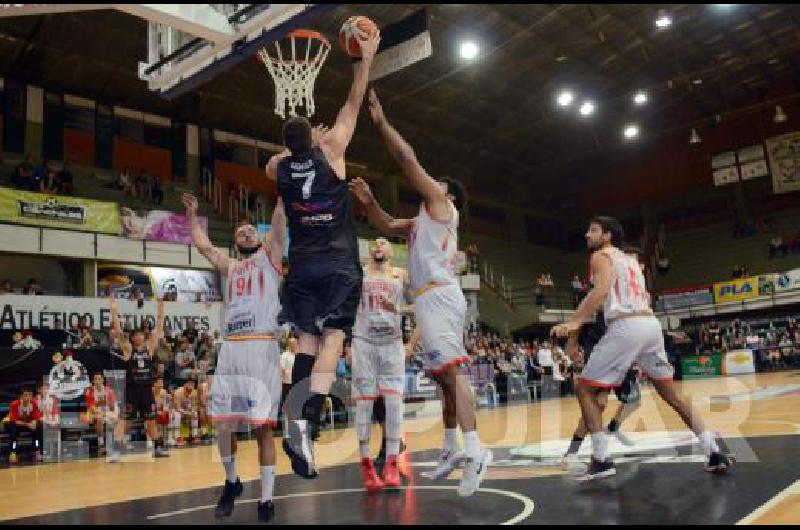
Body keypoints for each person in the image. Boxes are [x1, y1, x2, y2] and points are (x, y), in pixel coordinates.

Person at [348, 88, 492, 498]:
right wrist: (369, 202)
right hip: (429, 299)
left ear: (446, 195)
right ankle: (450, 448)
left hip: (440, 295)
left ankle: (476, 450)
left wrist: (380, 124)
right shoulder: (421, 221)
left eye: (436, 184)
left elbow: (407, 159)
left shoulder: (442, 208)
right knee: (444, 378)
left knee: (453, 372)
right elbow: (388, 224)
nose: (429, 186)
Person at [264, 30, 380, 479]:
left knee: (306, 346)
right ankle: (305, 423)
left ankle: (295, 423)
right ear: (313, 135)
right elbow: (353, 101)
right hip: (337, 265)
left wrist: (298, 144)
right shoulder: (330, 150)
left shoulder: (278, 169)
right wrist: (364, 59)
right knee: (333, 342)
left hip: (303, 267)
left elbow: (275, 163)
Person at [550, 217, 733, 481]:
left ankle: (600, 460)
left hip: (626, 327)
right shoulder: (631, 261)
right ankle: (713, 452)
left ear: (608, 236)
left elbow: (600, 292)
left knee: (583, 388)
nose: (587, 235)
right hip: (650, 325)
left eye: (593, 230)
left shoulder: (601, 256)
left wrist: (573, 322)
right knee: (672, 394)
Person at [183, 191, 287, 522]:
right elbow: (204, 247)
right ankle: (232, 483)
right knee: (223, 426)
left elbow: (279, 223)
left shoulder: (271, 257)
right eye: (239, 231)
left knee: (262, 430)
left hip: (261, 345)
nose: (244, 232)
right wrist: (191, 215)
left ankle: (266, 500)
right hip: (231, 348)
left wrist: (284, 189)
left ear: (260, 236)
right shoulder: (232, 266)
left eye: (249, 230)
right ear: (236, 242)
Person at [351, 238, 412, 493]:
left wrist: (397, 308)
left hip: (392, 343)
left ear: (391, 252)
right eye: (374, 243)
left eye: (383, 242)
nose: (378, 245)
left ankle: (390, 463)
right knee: (364, 404)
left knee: (394, 404)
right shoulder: (359, 274)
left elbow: (419, 306)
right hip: (363, 341)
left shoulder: (402, 275)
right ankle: (366, 464)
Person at [109, 297, 169, 460]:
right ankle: (116, 450)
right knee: (124, 420)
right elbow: (119, 332)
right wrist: (114, 310)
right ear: (132, 338)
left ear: (143, 336)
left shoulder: (149, 348)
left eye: (140, 334)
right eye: (135, 335)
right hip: (132, 390)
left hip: (146, 391)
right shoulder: (128, 350)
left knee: (150, 420)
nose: (138, 337)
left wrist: (160, 310)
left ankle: (157, 447)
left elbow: (158, 329)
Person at [84, 373, 119, 457]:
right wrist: (101, 414)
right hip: (93, 413)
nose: (97, 381)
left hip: (106, 413)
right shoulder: (90, 391)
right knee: (98, 419)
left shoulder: (109, 391)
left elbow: (113, 407)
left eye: (99, 379)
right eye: (95, 379)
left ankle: (118, 443)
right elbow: (92, 408)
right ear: (93, 381)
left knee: (118, 419)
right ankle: (101, 444)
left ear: (102, 380)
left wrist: (108, 414)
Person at [6, 388, 42, 464]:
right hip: (17, 424)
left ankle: (36, 450)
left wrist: (34, 422)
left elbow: (36, 417)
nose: (28, 397)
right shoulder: (15, 404)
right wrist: (27, 424)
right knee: (14, 433)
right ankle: (13, 452)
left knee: (37, 430)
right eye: (26, 395)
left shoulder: (33, 404)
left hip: (28, 424)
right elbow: (14, 420)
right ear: (21, 397)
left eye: (30, 395)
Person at [172, 379, 200, 446]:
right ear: (184, 385)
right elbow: (177, 408)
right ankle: (177, 438)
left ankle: (194, 436)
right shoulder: (178, 392)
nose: (191, 386)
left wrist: (192, 411)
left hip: (187, 411)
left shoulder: (195, 392)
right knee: (177, 415)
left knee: (195, 414)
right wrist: (188, 413)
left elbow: (194, 405)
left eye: (193, 385)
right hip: (176, 411)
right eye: (189, 384)